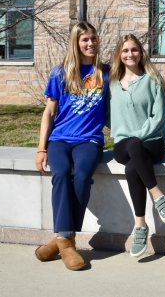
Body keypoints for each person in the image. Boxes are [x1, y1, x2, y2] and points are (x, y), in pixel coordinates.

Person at [34, 22, 109, 271]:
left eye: (93, 39)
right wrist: (41, 149)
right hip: (60, 139)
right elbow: (49, 113)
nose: (90, 44)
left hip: (89, 140)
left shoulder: (105, 73)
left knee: (83, 175)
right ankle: (67, 242)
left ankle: (62, 241)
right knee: (62, 173)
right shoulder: (60, 73)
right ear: (76, 43)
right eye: (85, 40)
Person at [108, 34, 165, 258]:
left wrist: (137, 136)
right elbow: (106, 116)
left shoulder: (153, 80)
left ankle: (140, 226)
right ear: (119, 54)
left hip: (152, 144)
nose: (130, 54)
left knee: (132, 167)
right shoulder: (111, 85)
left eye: (134, 50)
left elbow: (160, 116)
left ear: (141, 52)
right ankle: (158, 196)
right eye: (125, 50)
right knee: (131, 152)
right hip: (122, 144)